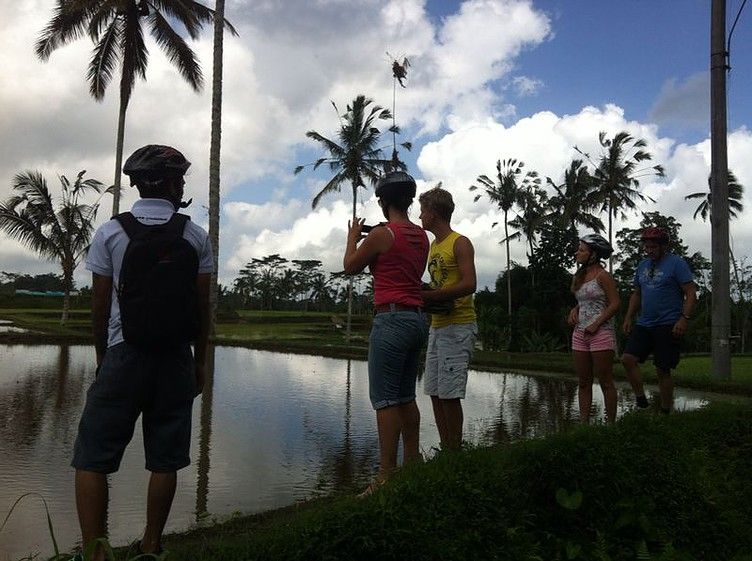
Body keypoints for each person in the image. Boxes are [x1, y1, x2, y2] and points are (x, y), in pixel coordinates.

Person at [72, 145, 213, 558]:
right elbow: (202, 309)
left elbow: (99, 308)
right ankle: (151, 547)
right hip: (175, 359)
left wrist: (103, 358)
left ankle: (95, 551)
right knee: (164, 459)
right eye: (180, 178)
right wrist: (200, 361)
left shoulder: (111, 233)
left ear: (139, 185)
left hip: (123, 354)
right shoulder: (195, 235)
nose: (183, 185)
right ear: (168, 184)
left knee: (93, 457)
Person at [343, 170, 429, 493]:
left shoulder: (381, 235)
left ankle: (385, 477)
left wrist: (354, 236)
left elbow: (350, 265)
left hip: (391, 320)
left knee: (386, 400)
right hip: (417, 320)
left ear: (383, 202)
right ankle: (412, 466)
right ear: (408, 200)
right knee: (406, 395)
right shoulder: (422, 236)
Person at [417, 186, 477, 449]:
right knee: (435, 391)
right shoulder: (434, 245)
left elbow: (470, 284)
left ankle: (455, 452)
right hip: (438, 325)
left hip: (458, 325)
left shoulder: (459, 242)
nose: (420, 216)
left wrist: (432, 297)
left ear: (433, 213)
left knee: (450, 394)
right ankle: (447, 449)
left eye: (422, 211)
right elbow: (439, 283)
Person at [621, 227, 697, 413]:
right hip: (645, 322)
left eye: (653, 246)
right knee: (627, 359)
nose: (649, 250)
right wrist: (629, 317)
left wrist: (684, 319)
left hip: (668, 323)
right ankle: (640, 398)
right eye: (646, 247)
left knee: (662, 369)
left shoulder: (676, 264)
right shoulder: (642, 265)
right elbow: (636, 294)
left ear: (663, 246)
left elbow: (691, 293)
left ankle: (665, 410)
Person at [567, 234, 620, 423]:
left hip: (601, 333)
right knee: (583, 382)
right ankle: (584, 425)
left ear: (594, 255)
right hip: (580, 334)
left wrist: (596, 324)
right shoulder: (579, 277)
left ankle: (611, 424)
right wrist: (575, 310)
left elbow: (614, 303)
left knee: (605, 381)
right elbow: (584, 302)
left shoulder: (603, 276)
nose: (577, 253)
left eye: (581, 250)